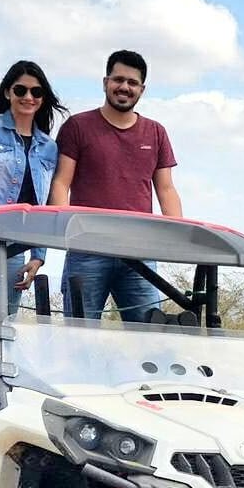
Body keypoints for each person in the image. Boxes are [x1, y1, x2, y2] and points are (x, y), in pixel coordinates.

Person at [49, 50, 181, 321]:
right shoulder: (78, 126)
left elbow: (166, 189)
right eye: (118, 79)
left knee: (151, 333)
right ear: (105, 82)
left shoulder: (156, 132)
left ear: (141, 89)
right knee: (79, 333)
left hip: (140, 253)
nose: (124, 87)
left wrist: (177, 238)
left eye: (132, 82)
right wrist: (63, 231)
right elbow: (61, 181)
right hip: (87, 249)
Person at [0, 61, 67, 369]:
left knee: (3, 331)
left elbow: (42, 206)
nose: (28, 96)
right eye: (20, 89)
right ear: (8, 92)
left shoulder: (48, 147)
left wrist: (39, 254)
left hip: (15, 251)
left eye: (36, 91)